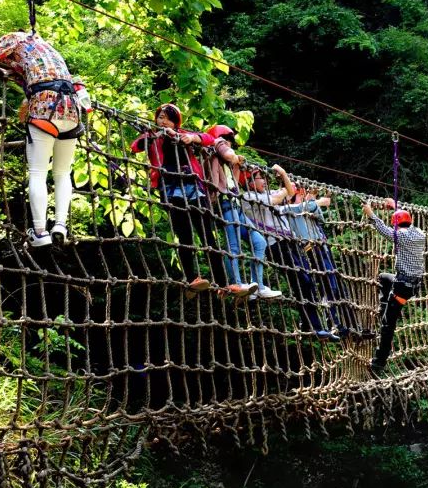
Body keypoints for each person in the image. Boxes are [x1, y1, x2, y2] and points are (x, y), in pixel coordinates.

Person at [0, 31, 90, 247]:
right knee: (62, 173)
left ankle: (40, 232)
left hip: (44, 105)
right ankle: (60, 224)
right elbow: (14, 74)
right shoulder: (47, 50)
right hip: (71, 108)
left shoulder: (13, 38)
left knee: (38, 172)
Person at [131, 104, 242, 297]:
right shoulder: (153, 136)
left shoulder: (183, 133)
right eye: (160, 117)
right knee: (185, 236)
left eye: (168, 118)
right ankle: (192, 279)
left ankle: (224, 284)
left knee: (208, 236)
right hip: (171, 187)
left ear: (176, 121)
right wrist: (151, 135)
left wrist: (192, 138)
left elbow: (208, 139)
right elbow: (135, 147)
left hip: (193, 187)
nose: (163, 121)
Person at [240, 166, 332, 337]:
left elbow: (289, 192)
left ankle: (311, 324)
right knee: (301, 281)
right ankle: (312, 326)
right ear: (250, 183)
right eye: (260, 178)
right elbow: (278, 198)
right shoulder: (248, 197)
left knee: (308, 280)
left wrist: (283, 176)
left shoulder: (267, 193)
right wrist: (283, 189)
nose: (264, 181)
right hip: (275, 244)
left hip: (289, 242)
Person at [280, 187, 362, 339]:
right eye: (300, 191)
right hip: (311, 250)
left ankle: (352, 327)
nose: (303, 193)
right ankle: (335, 325)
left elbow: (319, 215)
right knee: (328, 288)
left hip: (323, 248)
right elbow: (303, 207)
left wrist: (313, 201)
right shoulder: (287, 209)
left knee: (338, 288)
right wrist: (316, 201)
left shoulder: (307, 206)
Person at [362, 198, 426, 374]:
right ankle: (384, 306)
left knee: (387, 326)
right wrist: (397, 207)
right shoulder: (420, 233)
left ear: (397, 225)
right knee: (384, 277)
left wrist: (370, 214)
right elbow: (404, 223)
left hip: (402, 287)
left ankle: (378, 362)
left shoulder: (402, 236)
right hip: (413, 285)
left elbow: (385, 231)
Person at [203, 124, 262, 297]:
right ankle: (235, 283)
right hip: (225, 203)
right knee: (233, 246)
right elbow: (226, 156)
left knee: (259, 242)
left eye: (230, 141)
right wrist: (235, 158)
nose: (229, 144)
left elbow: (234, 185)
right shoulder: (214, 151)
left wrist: (237, 165)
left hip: (235, 203)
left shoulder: (227, 164)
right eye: (227, 140)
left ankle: (257, 286)